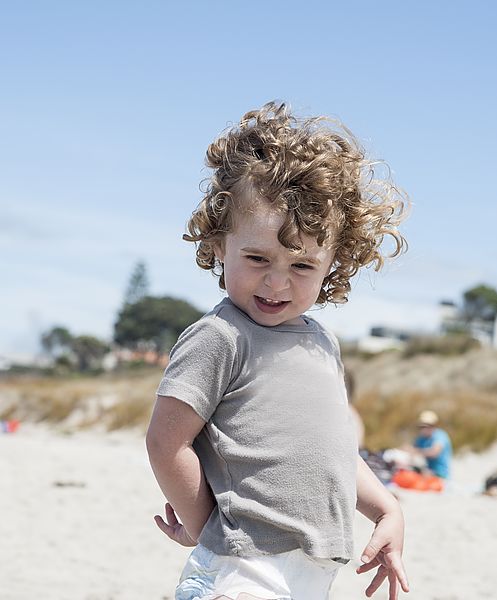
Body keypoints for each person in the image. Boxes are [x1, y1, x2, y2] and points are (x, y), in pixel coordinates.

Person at [145, 101, 410, 600]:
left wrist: (386, 509)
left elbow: (331, 452)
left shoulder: (322, 344)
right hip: (241, 571)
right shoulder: (221, 336)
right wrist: (208, 528)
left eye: (302, 266)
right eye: (257, 257)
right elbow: (166, 442)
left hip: (313, 573)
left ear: (335, 263)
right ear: (220, 244)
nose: (276, 281)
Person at [409, 410, 452, 480]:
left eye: (427, 426)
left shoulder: (440, 435)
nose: (424, 429)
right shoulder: (421, 438)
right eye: (422, 426)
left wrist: (416, 451)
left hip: (440, 474)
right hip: (425, 471)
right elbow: (413, 450)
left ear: (434, 426)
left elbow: (434, 452)